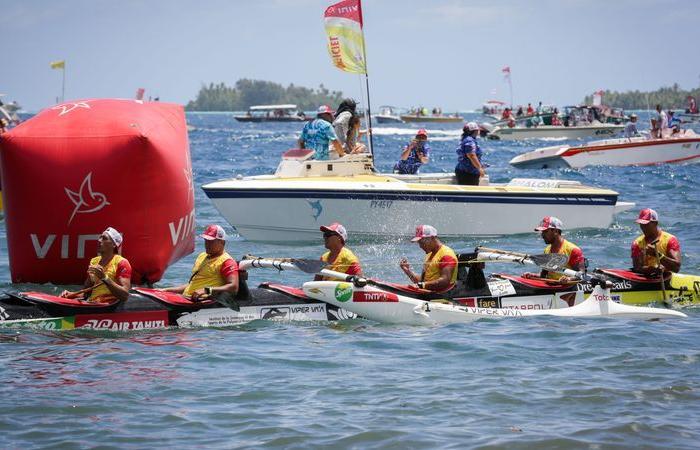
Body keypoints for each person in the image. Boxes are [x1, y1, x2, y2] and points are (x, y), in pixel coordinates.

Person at [161, 224, 239, 301]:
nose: (207, 244)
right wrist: (168, 290)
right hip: (187, 298)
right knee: (160, 292)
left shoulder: (227, 261)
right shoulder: (202, 256)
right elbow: (192, 285)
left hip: (201, 301)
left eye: (211, 242)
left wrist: (207, 290)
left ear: (222, 242)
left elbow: (233, 287)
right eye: (206, 241)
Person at [60, 227, 132, 302]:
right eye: (100, 237)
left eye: (104, 238)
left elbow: (125, 296)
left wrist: (105, 278)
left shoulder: (122, 263)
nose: (99, 240)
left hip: (109, 306)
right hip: (93, 303)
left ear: (114, 244)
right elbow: (86, 294)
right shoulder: (94, 261)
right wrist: (71, 295)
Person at [523, 216, 585, 282]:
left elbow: (581, 275)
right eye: (542, 232)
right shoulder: (547, 250)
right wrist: (533, 275)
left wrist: (569, 279)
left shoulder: (573, 250)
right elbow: (543, 275)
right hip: (551, 285)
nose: (542, 235)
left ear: (555, 231)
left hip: (567, 287)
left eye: (545, 231)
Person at [399, 225, 458, 292]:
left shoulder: (446, 254)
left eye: (422, 242)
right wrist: (407, 271)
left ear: (432, 238)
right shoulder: (429, 255)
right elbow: (423, 282)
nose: (420, 246)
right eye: (419, 243)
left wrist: (421, 285)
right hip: (428, 294)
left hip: (442, 297)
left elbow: (445, 281)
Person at [631, 208, 681, 274]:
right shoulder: (637, 243)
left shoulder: (670, 240)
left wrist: (657, 254)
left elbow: (676, 268)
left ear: (655, 223)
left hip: (665, 278)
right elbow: (637, 268)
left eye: (646, 224)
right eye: (641, 224)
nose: (643, 227)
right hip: (645, 279)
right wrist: (654, 270)